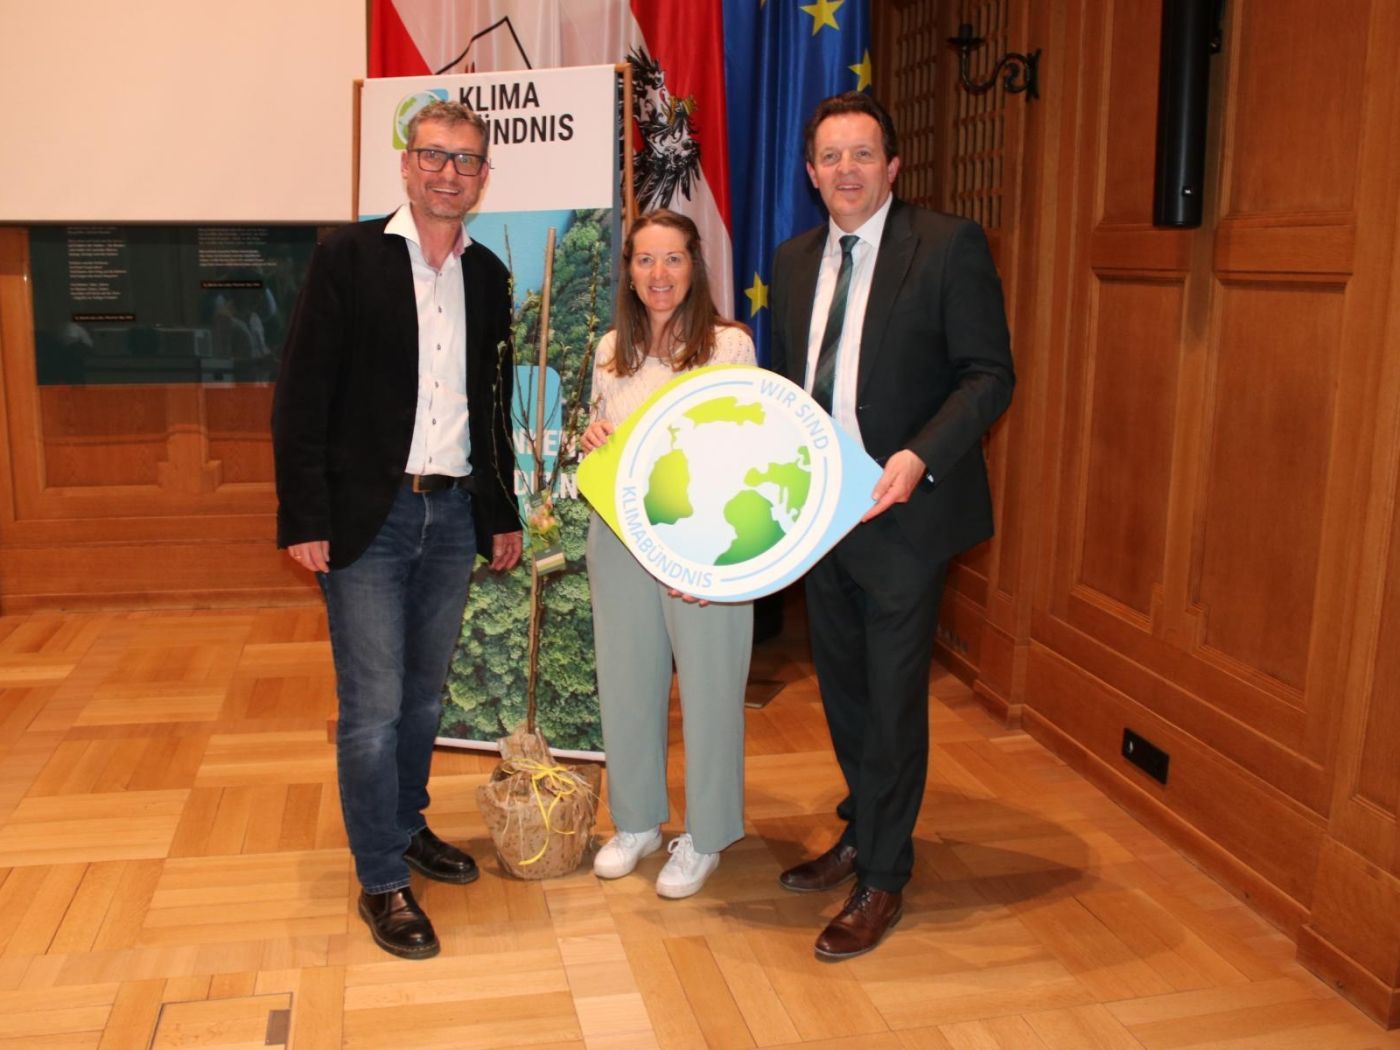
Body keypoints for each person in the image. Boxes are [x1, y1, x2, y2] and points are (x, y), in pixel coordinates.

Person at [272, 101, 522, 960]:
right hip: (365, 522)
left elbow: (492, 408)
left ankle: (406, 825)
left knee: (423, 698)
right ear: (407, 165)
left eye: (466, 160)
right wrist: (305, 515)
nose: (449, 172)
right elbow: (301, 394)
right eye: (434, 156)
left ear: (483, 177)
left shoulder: (489, 276)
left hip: (452, 514)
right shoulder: (347, 258)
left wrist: (500, 512)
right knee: (373, 707)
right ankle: (381, 876)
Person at [770, 92, 1015, 959]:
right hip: (822, 515)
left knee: (893, 697)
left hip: (906, 513)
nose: (846, 170)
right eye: (830, 156)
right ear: (811, 172)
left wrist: (919, 456)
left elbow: (989, 375)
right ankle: (861, 827)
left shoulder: (947, 246)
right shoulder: (792, 261)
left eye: (863, 154)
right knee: (843, 688)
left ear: (893, 166)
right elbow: (785, 387)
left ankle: (883, 875)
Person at [580, 209, 755, 899]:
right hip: (619, 535)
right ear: (629, 271)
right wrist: (593, 437)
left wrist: (715, 557)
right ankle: (636, 822)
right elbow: (601, 433)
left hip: (707, 537)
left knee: (711, 689)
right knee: (626, 682)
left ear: (695, 267)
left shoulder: (728, 347)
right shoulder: (608, 350)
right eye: (645, 260)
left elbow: (745, 450)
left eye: (673, 259)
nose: (659, 274)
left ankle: (706, 835)